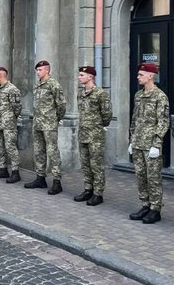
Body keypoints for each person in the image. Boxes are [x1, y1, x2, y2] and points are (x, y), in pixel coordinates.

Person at [128, 62, 169, 224]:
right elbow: (134, 119)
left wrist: (156, 144)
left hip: (151, 145)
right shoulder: (138, 95)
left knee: (153, 178)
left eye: (141, 75)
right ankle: (145, 204)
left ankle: (155, 209)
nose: (138, 77)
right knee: (140, 176)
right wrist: (131, 140)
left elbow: (163, 122)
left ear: (150, 76)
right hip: (138, 142)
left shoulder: (160, 96)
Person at [25, 60, 66, 194]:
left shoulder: (53, 85)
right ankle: (40, 178)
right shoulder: (37, 85)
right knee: (38, 151)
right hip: (37, 123)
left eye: (40, 70)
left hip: (49, 124)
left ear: (47, 70)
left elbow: (61, 105)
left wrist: (55, 118)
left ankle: (56, 181)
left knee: (52, 152)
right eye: (37, 70)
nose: (38, 72)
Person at [74, 66, 113, 206]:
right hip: (83, 134)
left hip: (95, 135)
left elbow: (107, 115)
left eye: (82, 75)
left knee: (96, 165)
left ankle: (98, 194)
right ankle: (88, 189)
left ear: (90, 77)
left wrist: (98, 126)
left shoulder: (100, 94)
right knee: (85, 164)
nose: (79, 77)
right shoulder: (81, 93)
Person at [0, 67, 22, 182]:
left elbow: (17, 107)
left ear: (1, 75)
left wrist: (11, 118)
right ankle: (3, 169)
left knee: (10, 147)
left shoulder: (12, 89)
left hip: (8, 123)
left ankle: (15, 172)